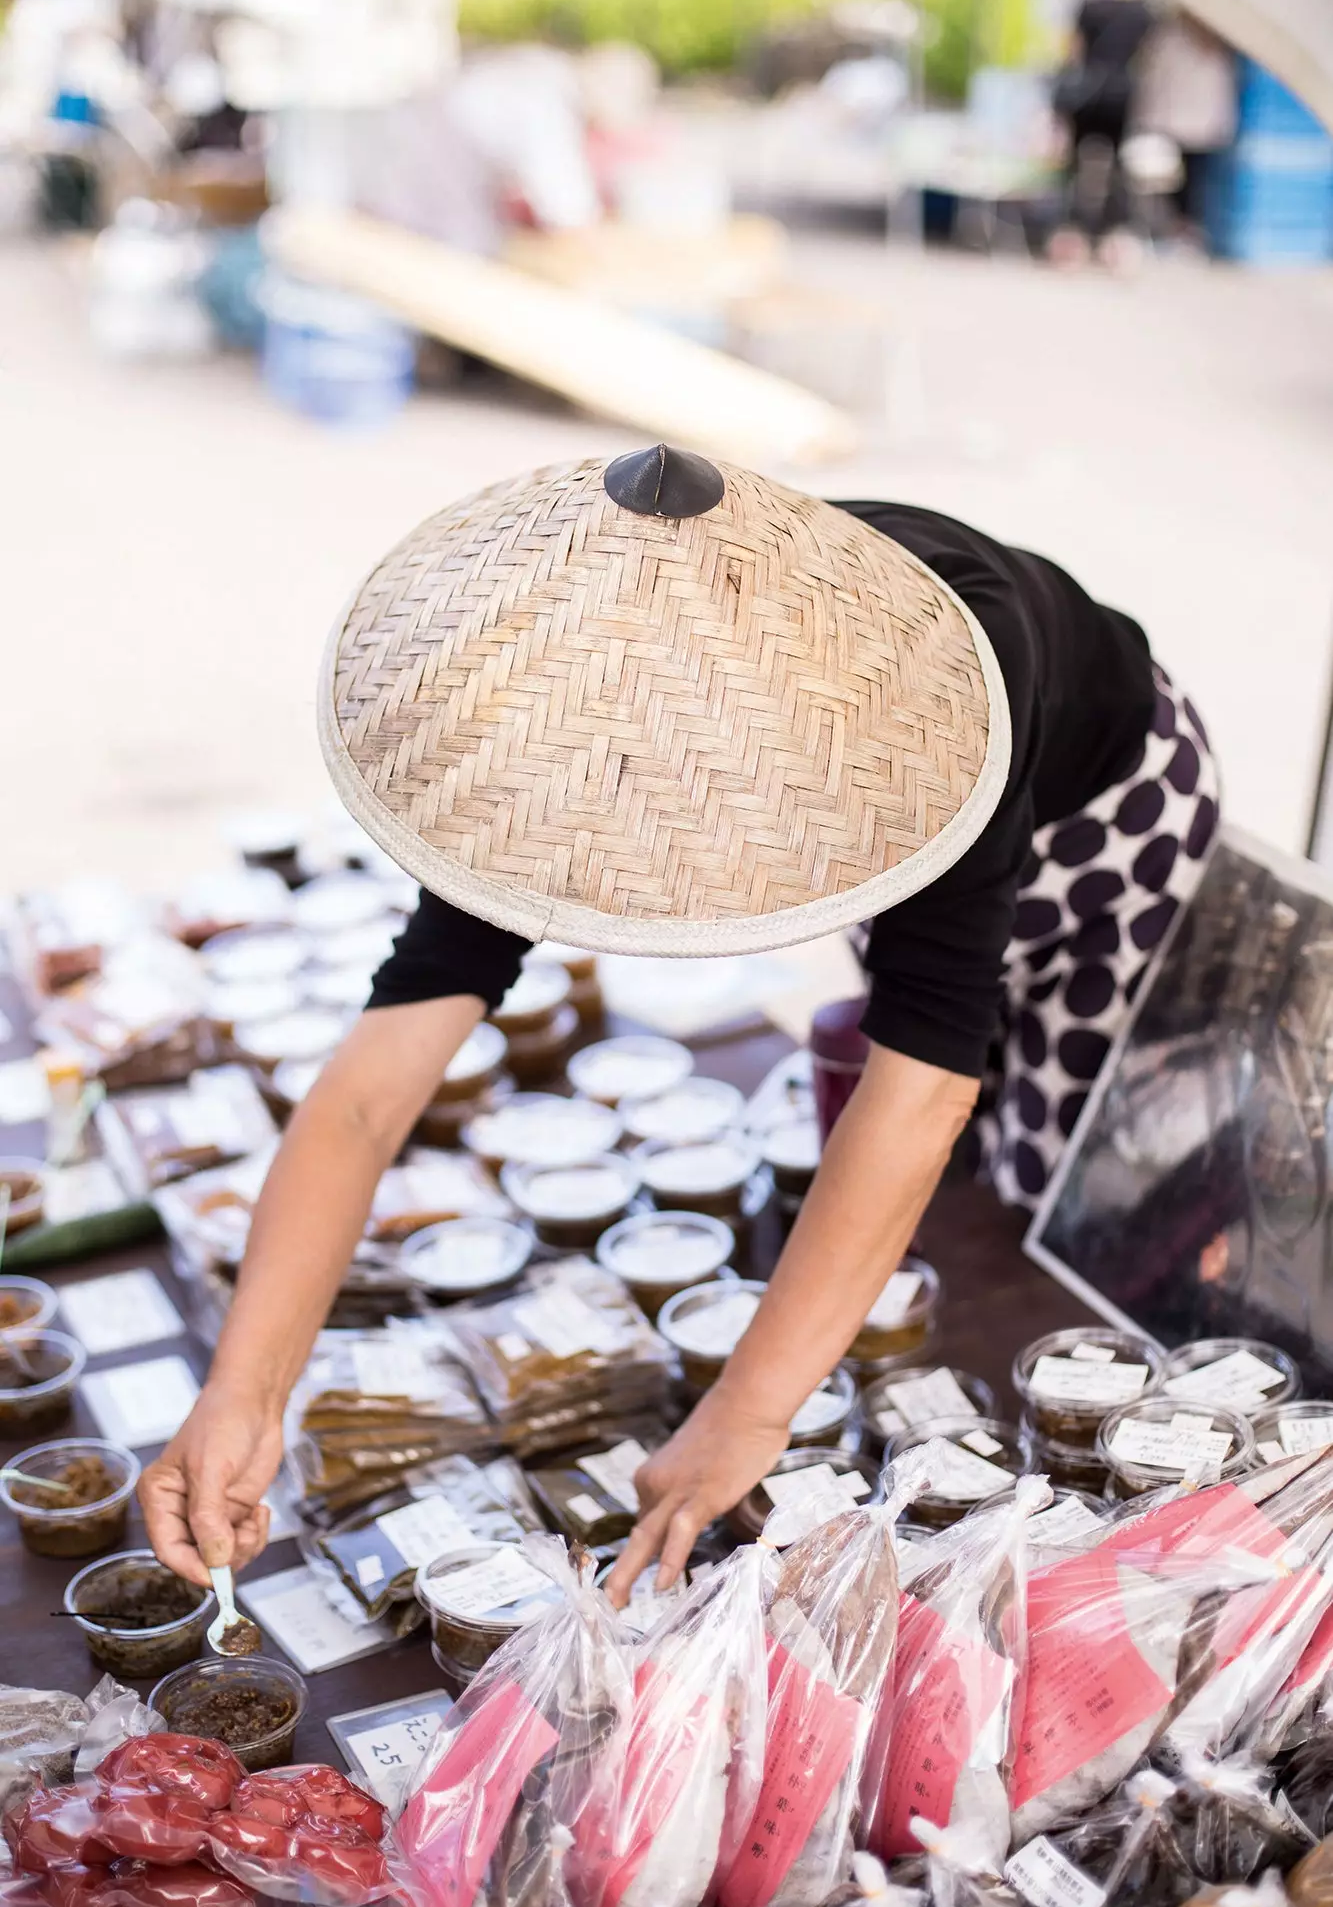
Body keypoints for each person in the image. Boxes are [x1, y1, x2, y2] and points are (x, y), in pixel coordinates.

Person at [139, 445, 1219, 1603]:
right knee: (927, 1104)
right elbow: (364, 1095)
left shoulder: (931, 706)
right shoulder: (535, 738)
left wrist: (745, 1411)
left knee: (1040, 1168)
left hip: (1101, 818)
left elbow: (923, 1090)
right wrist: (243, 1392)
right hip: (927, 810)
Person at [1049, 0, 1153, 270]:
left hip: (1086, 94)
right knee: (1118, 170)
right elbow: (1146, 59)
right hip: (1122, 96)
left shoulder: (1091, 5)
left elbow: (1072, 51)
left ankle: (1073, 234)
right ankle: (1115, 234)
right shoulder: (1142, 12)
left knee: (1077, 166)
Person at [1133, 11, 1236, 245]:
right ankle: (1183, 229)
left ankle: (1187, 230)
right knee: (1182, 181)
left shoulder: (1185, 34)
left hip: (1188, 122)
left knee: (1192, 182)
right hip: (1181, 122)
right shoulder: (1172, 32)